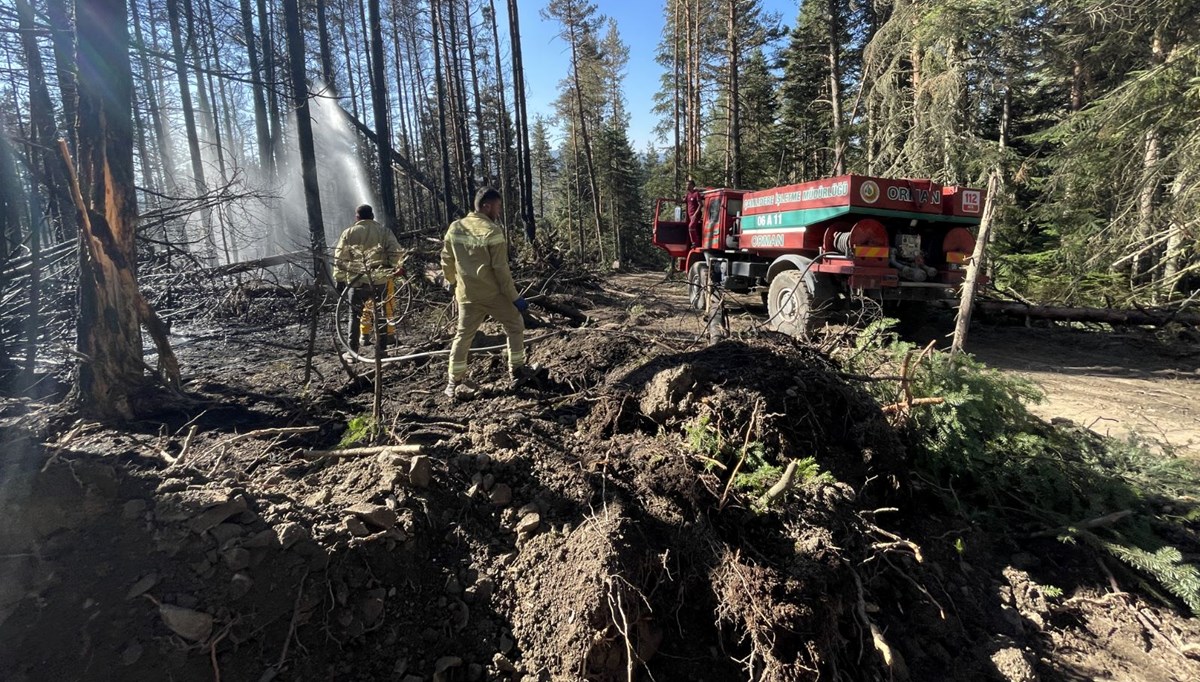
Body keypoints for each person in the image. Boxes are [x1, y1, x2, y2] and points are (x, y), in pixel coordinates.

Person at [441, 188, 529, 398]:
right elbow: (501, 270)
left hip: (467, 295)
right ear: (486, 206)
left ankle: (454, 382)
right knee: (515, 324)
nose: (498, 212)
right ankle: (517, 371)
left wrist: (453, 284)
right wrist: (515, 298)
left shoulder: (455, 228)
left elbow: (446, 260)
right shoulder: (492, 231)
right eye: (497, 207)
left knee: (463, 336)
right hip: (493, 294)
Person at [333, 204, 404, 353]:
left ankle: (352, 352)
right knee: (382, 314)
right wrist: (392, 267)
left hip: (356, 283)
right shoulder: (384, 231)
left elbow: (339, 259)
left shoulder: (349, 233)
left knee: (354, 315)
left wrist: (339, 279)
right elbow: (396, 251)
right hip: (380, 280)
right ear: (372, 216)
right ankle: (382, 350)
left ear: (357, 217)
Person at [685, 179, 703, 248]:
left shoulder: (696, 194)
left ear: (692, 185)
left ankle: (695, 243)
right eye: (686, 185)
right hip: (690, 215)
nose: (687, 186)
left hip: (695, 215)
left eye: (688, 185)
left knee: (691, 227)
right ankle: (693, 242)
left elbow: (700, 204)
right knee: (692, 227)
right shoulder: (688, 194)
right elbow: (686, 201)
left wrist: (695, 215)